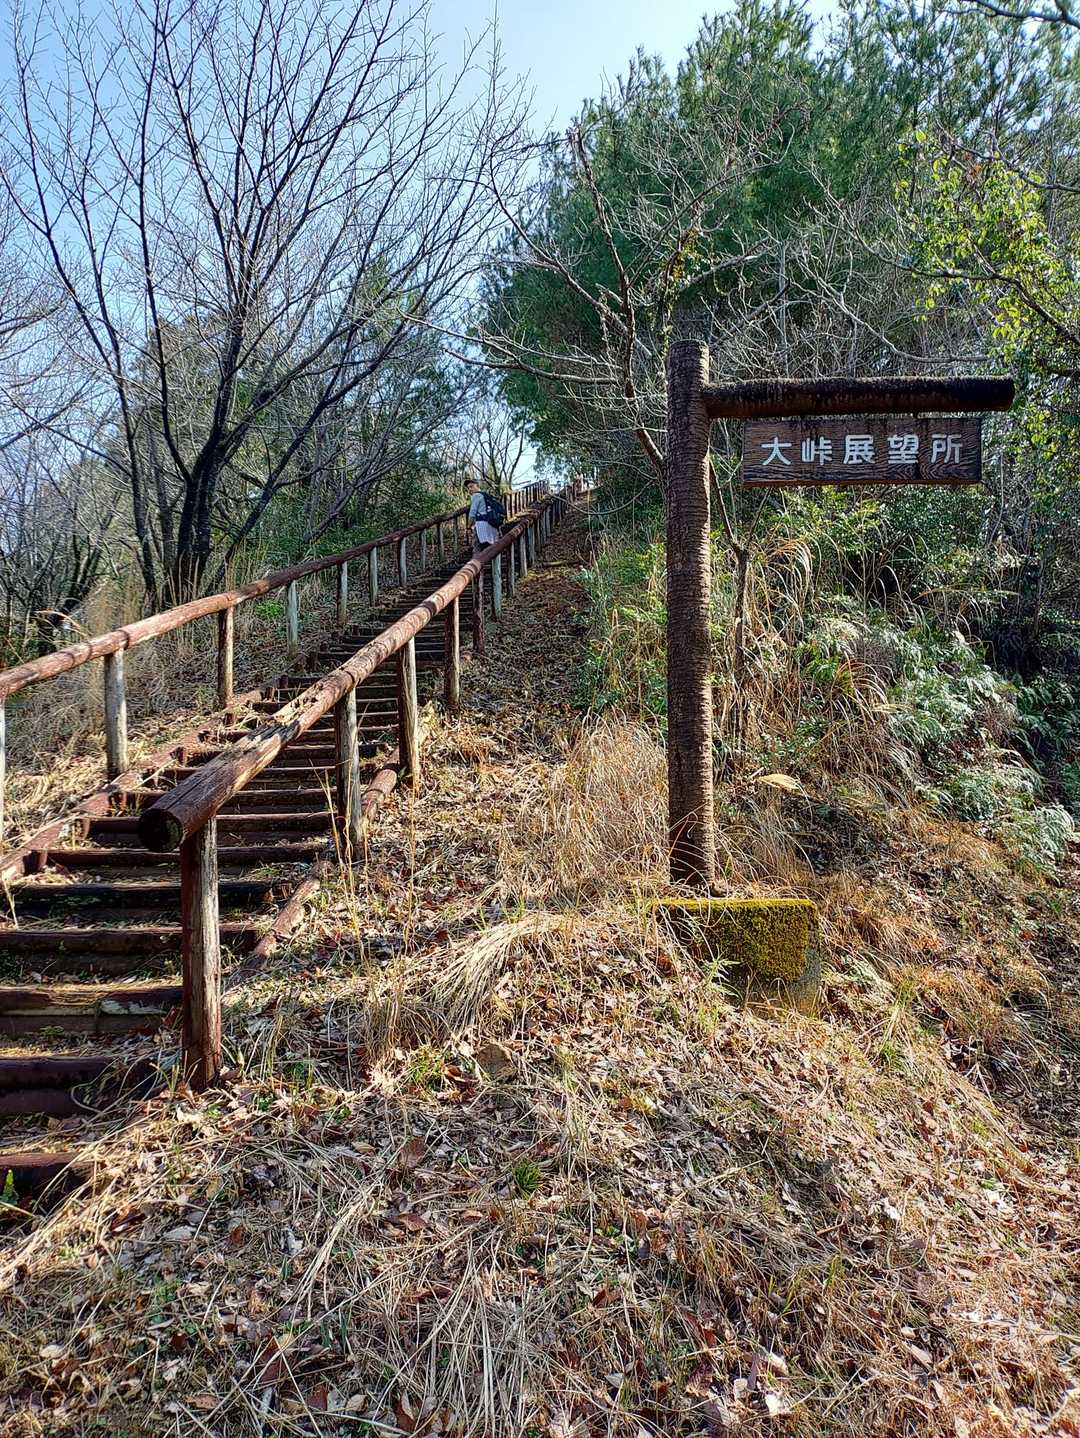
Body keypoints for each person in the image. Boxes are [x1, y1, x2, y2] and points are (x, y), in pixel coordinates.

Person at [465, 477, 500, 554]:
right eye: (468, 488)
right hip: (492, 525)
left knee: (477, 550)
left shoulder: (476, 496)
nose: (469, 489)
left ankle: (476, 561)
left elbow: (472, 513)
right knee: (491, 549)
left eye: (471, 486)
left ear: (477, 486)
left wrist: (468, 527)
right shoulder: (486, 495)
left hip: (481, 527)